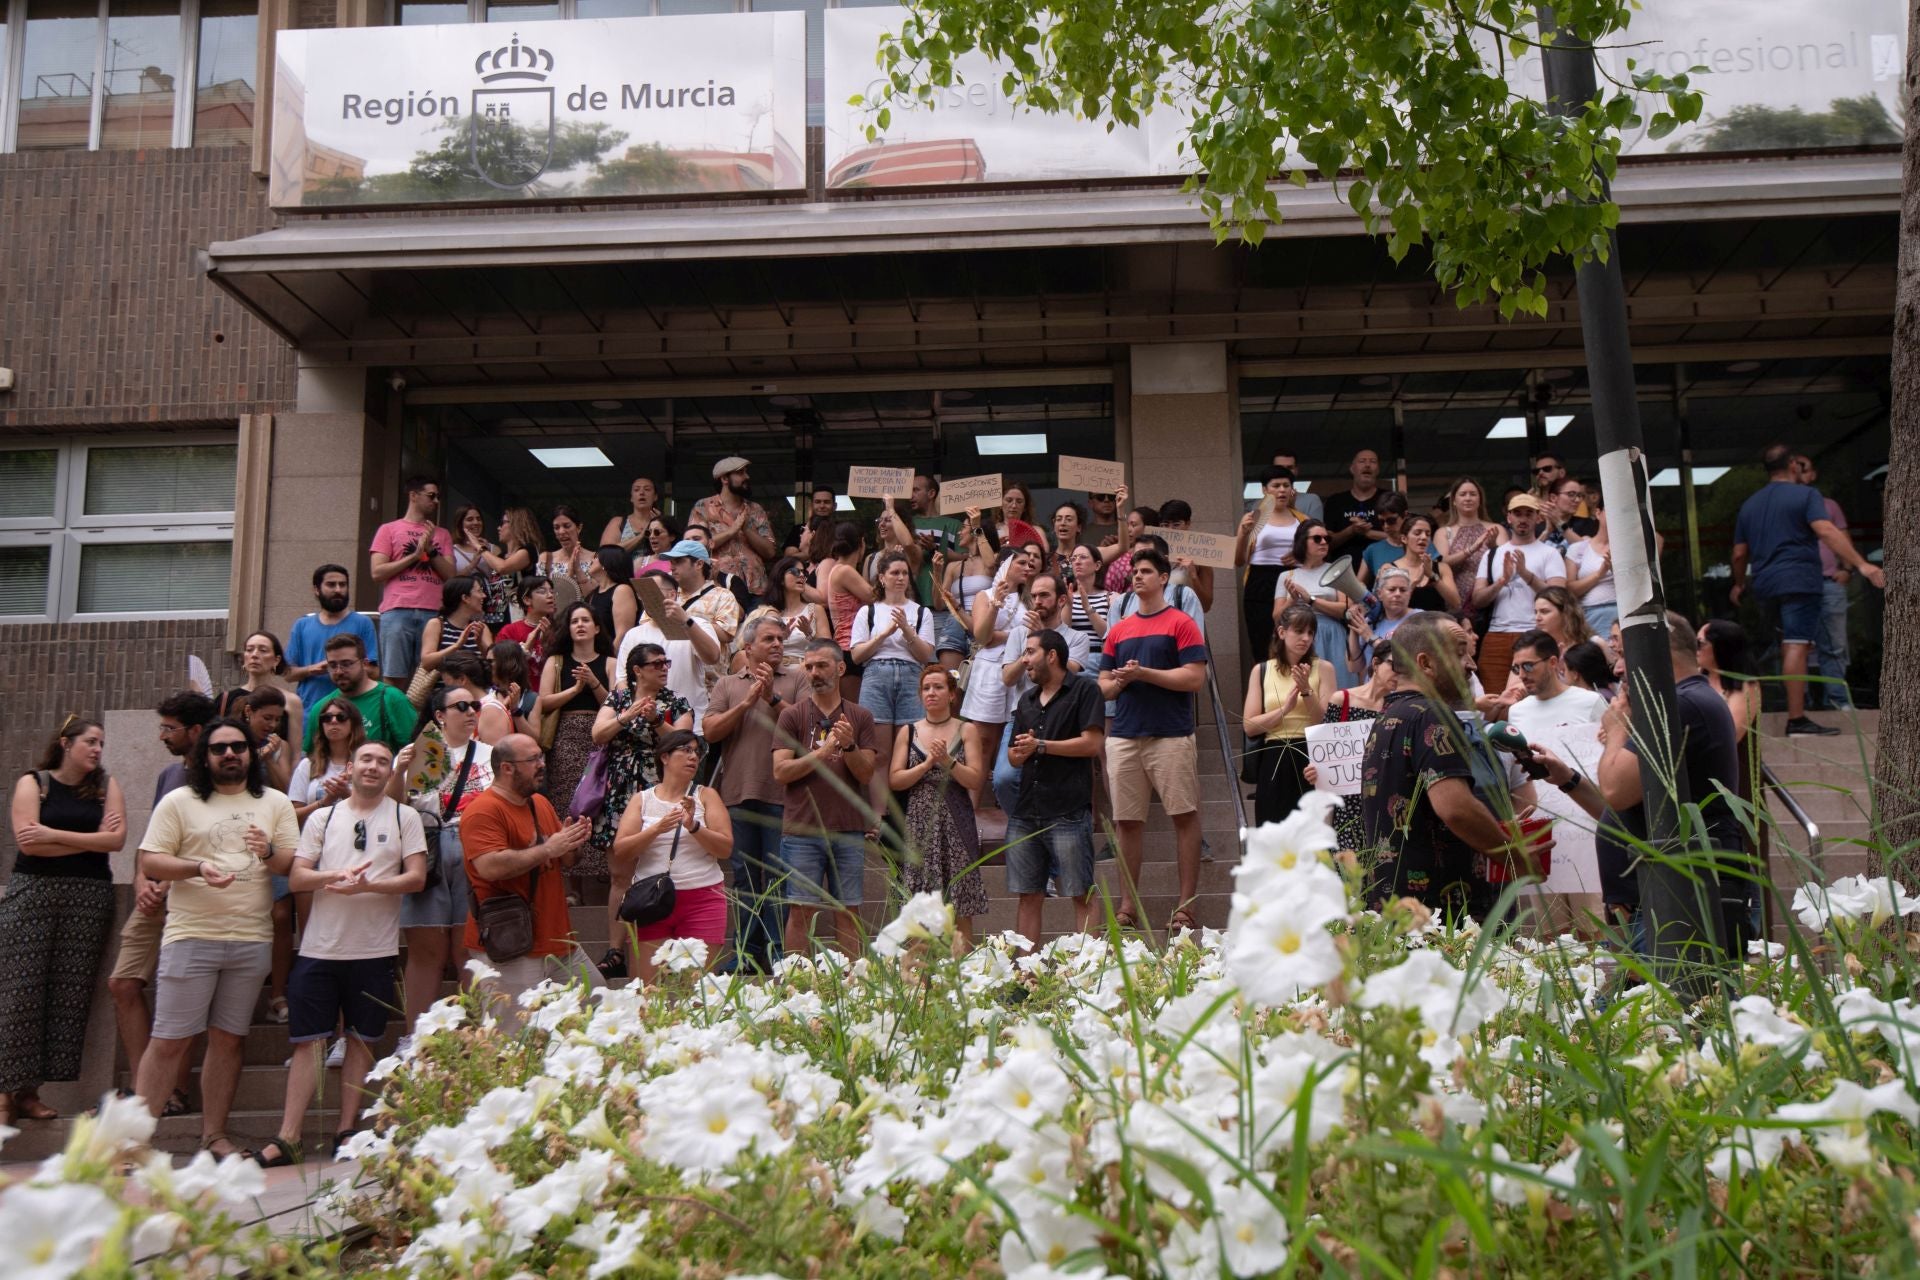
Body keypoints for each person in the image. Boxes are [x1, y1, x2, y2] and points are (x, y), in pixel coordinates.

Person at [133, 719, 300, 1157]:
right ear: (204, 756)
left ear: (250, 753)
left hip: (251, 939)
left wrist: (267, 850)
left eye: (238, 747)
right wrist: (196, 867)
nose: (230, 754)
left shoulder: (276, 803)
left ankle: (215, 1137)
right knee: (169, 1040)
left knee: (229, 1040)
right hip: (190, 935)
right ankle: (132, 1146)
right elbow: (151, 861)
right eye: (219, 748)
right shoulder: (179, 801)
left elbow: (288, 864)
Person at [255, 740, 426, 1167]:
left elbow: (416, 878)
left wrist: (369, 885)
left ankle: (346, 1130)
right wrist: (337, 875)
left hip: (375, 949)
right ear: (350, 767)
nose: (373, 767)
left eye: (382, 762)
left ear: (391, 771)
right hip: (320, 948)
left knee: (361, 1041)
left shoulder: (405, 817)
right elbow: (297, 878)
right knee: (308, 1041)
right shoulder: (324, 817)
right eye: (366, 759)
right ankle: (289, 1136)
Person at [1360, 614, 1551, 921]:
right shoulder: (1433, 714)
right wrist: (1514, 856)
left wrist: (1492, 828)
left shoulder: (1389, 715)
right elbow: (1455, 807)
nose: (1471, 664)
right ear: (1425, 663)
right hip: (1445, 920)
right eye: (1460, 653)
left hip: (1399, 912)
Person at [0, 717, 126, 1124]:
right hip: (33, 893)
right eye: (90, 741)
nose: (98, 750)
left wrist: (53, 835)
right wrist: (89, 842)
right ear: (66, 743)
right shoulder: (34, 783)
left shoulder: (106, 786)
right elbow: (29, 846)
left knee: (66, 996)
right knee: (20, 993)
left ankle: (30, 1093)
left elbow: (116, 841)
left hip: (88, 898)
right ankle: (3, 1096)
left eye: (101, 743)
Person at [1596, 612, 1748, 949]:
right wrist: (1567, 779)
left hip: (1675, 899)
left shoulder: (1679, 704)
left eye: (1623, 654)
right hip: (1660, 897)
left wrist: (1617, 730)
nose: (1617, 669)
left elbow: (1615, 790)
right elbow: (1622, 805)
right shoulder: (1686, 699)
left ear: (1653, 649)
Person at [107, 691, 214, 1123]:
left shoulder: (221, 775)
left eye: (169, 728)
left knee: (182, 996)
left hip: (196, 899)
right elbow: (150, 840)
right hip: (151, 896)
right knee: (122, 983)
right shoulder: (168, 774)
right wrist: (140, 880)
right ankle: (145, 1087)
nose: (161, 736)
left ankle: (174, 1090)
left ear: (196, 731)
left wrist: (169, 882)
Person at [1731, 443, 1885, 735]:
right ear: (1792, 465)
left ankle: (1778, 709)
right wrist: (1862, 565)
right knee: (1797, 644)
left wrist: (1739, 584)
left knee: (1785, 644)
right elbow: (1825, 530)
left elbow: (1739, 554)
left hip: (1765, 584)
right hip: (1799, 580)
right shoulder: (1806, 495)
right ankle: (1797, 719)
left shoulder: (1749, 504)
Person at [1099, 547, 1208, 932]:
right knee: (1126, 821)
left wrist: (1145, 673)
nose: (1137, 576)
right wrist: (1121, 681)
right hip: (1124, 734)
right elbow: (1103, 684)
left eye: (1146, 571)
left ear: (1164, 578)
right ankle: (1127, 906)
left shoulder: (1182, 622)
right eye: (1135, 571)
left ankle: (1186, 906)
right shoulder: (1119, 629)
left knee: (1184, 816)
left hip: (1171, 734)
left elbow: (1195, 678)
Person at [461, 735, 602, 1021]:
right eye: (533, 759)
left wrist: (572, 843)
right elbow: (489, 867)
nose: (542, 764)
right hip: (510, 946)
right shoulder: (483, 810)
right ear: (507, 768)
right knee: (513, 1036)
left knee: (598, 1001)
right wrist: (547, 849)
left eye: (541, 756)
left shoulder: (540, 803)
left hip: (559, 942)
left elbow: (565, 860)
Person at [387, 686, 492, 1043]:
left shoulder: (491, 754)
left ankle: (477, 1037)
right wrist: (399, 773)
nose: (471, 711)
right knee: (425, 951)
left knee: (469, 950)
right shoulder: (418, 753)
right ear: (439, 715)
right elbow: (393, 808)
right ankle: (416, 1040)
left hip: (475, 851)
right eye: (461, 706)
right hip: (427, 850)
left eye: (474, 705)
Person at [703, 615, 806, 973]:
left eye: (780, 638)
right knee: (744, 878)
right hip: (737, 795)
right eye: (769, 639)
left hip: (784, 795)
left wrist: (772, 698)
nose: (778, 644)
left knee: (779, 877)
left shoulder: (797, 679)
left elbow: (807, 728)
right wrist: (746, 703)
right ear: (748, 647)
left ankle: (778, 954)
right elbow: (710, 731)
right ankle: (746, 954)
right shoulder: (727, 684)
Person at [773, 640, 879, 957]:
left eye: (822, 665)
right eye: (808, 667)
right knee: (800, 911)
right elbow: (780, 771)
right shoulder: (792, 715)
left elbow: (866, 774)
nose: (814, 673)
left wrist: (849, 747)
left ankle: (853, 983)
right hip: (802, 829)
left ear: (841, 668)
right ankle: (797, 982)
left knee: (848, 910)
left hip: (847, 829)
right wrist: (823, 752)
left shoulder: (860, 716)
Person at [591, 642, 694, 955]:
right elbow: (598, 734)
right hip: (620, 789)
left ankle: (657, 948)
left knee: (660, 866)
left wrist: (656, 721)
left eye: (666, 663)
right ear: (637, 670)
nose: (663, 668)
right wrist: (627, 716)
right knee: (620, 873)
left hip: (661, 786)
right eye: (656, 664)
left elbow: (684, 743)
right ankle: (615, 950)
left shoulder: (676, 702)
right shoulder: (619, 698)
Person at [1004, 632, 1106, 946]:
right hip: (1026, 810)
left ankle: (1090, 968)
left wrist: (1042, 745)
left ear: (1052, 655)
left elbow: (1092, 744)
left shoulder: (1085, 689)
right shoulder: (1026, 700)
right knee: (1028, 895)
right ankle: (1025, 971)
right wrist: (1022, 751)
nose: (1024, 659)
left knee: (1081, 891)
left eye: (1030, 652)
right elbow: (1012, 756)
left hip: (1068, 809)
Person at [608, 730, 733, 982]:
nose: (693, 757)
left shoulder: (706, 795)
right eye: (685, 750)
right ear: (664, 757)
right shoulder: (642, 800)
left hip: (703, 898)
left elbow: (725, 848)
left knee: (699, 990)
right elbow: (621, 851)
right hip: (651, 901)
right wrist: (657, 828)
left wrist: (693, 826)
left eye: (696, 752)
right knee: (648, 990)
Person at [888, 666, 987, 949]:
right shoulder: (908, 731)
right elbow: (895, 780)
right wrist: (927, 764)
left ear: (952, 694)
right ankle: (918, 970)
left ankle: (963, 967)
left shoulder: (966, 729)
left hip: (956, 819)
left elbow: (975, 779)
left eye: (938, 687)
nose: (931, 693)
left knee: (960, 900)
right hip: (919, 820)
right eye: (926, 688)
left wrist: (948, 762)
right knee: (919, 900)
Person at [990, 571, 1091, 812]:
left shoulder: (1078, 638)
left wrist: (1044, 641)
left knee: (1054, 782)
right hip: (1022, 716)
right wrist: (1029, 646)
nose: (1037, 601)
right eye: (1034, 596)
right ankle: (1023, 824)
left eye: (1044, 595)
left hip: (1062, 717)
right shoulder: (1018, 634)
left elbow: (1068, 673)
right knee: (1003, 779)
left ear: (1062, 600)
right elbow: (1008, 678)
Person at [851, 550, 939, 819]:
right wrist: (885, 634)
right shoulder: (868, 611)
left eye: (904, 573)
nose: (901, 578)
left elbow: (925, 656)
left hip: (911, 676)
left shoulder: (921, 612)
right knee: (879, 753)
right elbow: (856, 655)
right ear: (882, 577)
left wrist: (907, 631)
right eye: (894, 573)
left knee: (909, 750)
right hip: (876, 676)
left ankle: (908, 816)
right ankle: (879, 818)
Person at [962, 541, 1041, 805]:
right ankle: (972, 810)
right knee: (984, 742)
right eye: (1021, 563)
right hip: (990, 671)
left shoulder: (1031, 599)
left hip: (1021, 671)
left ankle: (1006, 804)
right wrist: (996, 605)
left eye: (1031, 563)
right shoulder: (985, 596)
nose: (1028, 567)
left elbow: (1036, 635)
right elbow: (982, 637)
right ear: (1006, 565)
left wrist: (1003, 636)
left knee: (1016, 738)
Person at [1468, 493, 1567, 693]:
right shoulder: (1492, 554)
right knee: (1494, 696)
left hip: (1535, 632)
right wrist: (1501, 582)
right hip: (1496, 634)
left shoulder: (1549, 553)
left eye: (1529, 514)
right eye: (1518, 513)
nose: (1523, 519)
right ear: (1509, 517)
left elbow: (1560, 596)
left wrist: (1526, 575)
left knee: (1534, 694)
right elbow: (1477, 599)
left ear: (1538, 518)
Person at [1244, 604, 1332, 825]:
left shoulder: (1323, 668)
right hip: (1274, 755)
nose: (1306, 638)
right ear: (1282, 632)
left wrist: (1306, 691)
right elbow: (1250, 726)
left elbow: (1326, 723)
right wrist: (1285, 710)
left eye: (1310, 632)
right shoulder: (1261, 670)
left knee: (1313, 832)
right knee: (1273, 828)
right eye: (1299, 631)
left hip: (1312, 755)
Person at [1305, 647, 1396, 852]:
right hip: (1346, 806)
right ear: (1375, 663)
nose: (1398, 673)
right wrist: (1315, 771)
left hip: (1382, 802)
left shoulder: (1397, 708)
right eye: (1394, 665)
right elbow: (1326, 753)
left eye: (1405, 669)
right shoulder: (1342, 699)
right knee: (1347, 867)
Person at [369, 476, 455, 687]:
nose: (436, 501)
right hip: (397, 609)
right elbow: (377, 572)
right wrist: (414, 556)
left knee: (427, 680)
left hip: (433, 612)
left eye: (438, 497)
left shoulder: (442, 534)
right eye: (431, 496)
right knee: (393, 676)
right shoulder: (388, 529)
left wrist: (430, 551)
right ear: (414, 496)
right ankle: (394, 710)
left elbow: (451, 576)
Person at [615, 568, 723, 728]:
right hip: (643, 726)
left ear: (672, 595)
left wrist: (686, 622)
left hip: (690, 724)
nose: (646, 598)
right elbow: (622, 680)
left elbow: (712, 657)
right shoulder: (633, 634)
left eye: (651, 591)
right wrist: (635, 713)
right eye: (642, 593)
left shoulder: (697, 625)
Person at [1792, 453, 1857, 711]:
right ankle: (1801, 704)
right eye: (1794, 468)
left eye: (1804, 468)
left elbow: (1842, 537)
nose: (1799, 472)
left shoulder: (1829, 505)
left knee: (1835, 645)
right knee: (1797, 645)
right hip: (1795, 585)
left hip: (1829, 582)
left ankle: (1838, 700)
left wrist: (1848, 568)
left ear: (1813, 474)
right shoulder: (1783, 505)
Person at [536, 600, 612, 818]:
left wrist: (593, 682)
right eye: (574, 621)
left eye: (585, 620)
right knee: (565, 798)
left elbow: (615, 704)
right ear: (568, 629)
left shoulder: (610, 662)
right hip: (564, 738)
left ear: (596, 628)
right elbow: (543, 702)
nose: (580, 625)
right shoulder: (555, 661)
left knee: (599, 796)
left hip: (599, 736)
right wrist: (575, 690)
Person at [286, 565, 380, 731]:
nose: (338, 590)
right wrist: (312, 669)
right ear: (316, 589)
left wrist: (344, 667)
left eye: (342, 585)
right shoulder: (302, 625)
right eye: (331, 585)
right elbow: (288, 674)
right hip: (310, 714)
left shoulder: (362, 623)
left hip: (351, 714)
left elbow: (374, 672)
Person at [1276, 519, 1359, 690]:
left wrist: (1311, 600)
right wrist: (1292, 600)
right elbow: (1277, 617)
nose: (1323, 542)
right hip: (1300, 635)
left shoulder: (1336, 570)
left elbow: (1346, 609)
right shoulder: (1287, 576)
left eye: (1327, 538)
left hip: (1332, 635)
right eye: (1317, 538)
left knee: (1339, 686)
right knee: (1305, 688)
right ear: (1302, 542)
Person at [1236, 465, 1307, 662]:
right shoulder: (1251, 519)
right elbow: (1239, 560)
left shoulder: (1302, 520)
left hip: (1293, 580)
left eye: (1286, 485)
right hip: (1260, 581)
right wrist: (1243, 534)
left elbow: (1317, 552)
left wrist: (1300, 555)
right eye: (1276, 485)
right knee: (1262, 641)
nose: (1282, 490)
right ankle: (1266, 680)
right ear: (1264, 490)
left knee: (1295, 636)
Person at [304, 633, 418, 752]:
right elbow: (312, 756)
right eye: (332, 665)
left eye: (346, 664)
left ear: (364, 663)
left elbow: (416, 749)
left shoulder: (392, 698)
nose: (339, 671)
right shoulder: (321, 708)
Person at [691, 456, 777, 600]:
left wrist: (747, 529)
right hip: (719, 588)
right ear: (725, 479)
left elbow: (770, 552)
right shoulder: (703, 507)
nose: (747, 477)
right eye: (740, 473)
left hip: (755, 589)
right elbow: (694, 547)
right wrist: (731, 531)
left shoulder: (755, 509)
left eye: (746, 472)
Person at [1500, 630, 1607, 740]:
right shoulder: (1516, 712)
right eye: (1516, 668)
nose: (1521, 675)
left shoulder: (1591, 701)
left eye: (1528, 666)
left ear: (1553, 662)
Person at [666, 538, 742, 679]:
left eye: (678, 561)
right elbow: (647, 626)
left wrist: (685, 620)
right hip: (671, 679)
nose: (672, 567)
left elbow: (726, 634)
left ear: (699, 564)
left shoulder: (723, 595)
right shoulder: (666, 595)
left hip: (709, 684)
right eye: (671, 562)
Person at [217, 631, 304, 744]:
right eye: (249, 650)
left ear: (276, 660)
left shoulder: (291, 701)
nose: (254, 655)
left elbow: (295, 751)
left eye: (263, 650)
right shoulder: (225, 699)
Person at [823, 521, 877, 700]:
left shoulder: (839, 569)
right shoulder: (845, 570)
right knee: (853, 709)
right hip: (849, 647)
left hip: (847, 646)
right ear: (861, 543)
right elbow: (874, 596)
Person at [289, 699, 363, 825]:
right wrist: (325, 801)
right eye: (327, 718)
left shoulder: (367, 765)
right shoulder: (308, 765)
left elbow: (378, 813)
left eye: (341, 717)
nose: (333, 721)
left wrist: (347, 795)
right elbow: (292, 818)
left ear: (353, 723)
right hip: (316, 835)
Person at [755, 555, 831, 672]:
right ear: (781, 578)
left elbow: (829, 649)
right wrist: (781, 637)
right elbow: (757, 647)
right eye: (795, 571)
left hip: (806, 670)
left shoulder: (815, 610)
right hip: (775, 671)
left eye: (804, 572)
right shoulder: (770, 613)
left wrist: (809, 634)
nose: (801, 575)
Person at [472, 507, 542, 631]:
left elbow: (503, 567)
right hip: (494, 620)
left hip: (517, 620)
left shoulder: (529, 550)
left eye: (503, 523)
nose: (498, 528)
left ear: (516, 525)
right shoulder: (500, 556)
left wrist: (480, 548)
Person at [1564, 489, 1617, 636]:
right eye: (1610, 510)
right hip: (1589, 615)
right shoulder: (1578, 548)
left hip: (1620, 614)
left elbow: (1636, 587)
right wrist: (1599, 574)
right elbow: (1570, 589)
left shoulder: (1626, 549)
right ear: (1598, 513)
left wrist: (1616, 570)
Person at [1433, 476, 1507, 579]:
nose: (1468, 498)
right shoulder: (1443, 532)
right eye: (1463, 494)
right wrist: (1470, 550)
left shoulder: (1496, 529)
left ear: (1480, 500)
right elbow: (1440, 564)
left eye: (1473, 494)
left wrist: (1493, 547)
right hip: (1453, 589)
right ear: (1454, 501)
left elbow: (1506, 562)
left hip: (1491, 587)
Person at [1324, 448, 1388, 558]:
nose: (1367, 465)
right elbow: (1326, 543)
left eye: (1373, 461)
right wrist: (1351, 530)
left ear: (1378, 470)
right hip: (1344, 566)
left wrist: (1369, 533)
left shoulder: (1389, 499)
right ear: (1352, 469)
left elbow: (1402, 538)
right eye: (1362, 461)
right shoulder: (1335, 501)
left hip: (1384, 564)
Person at [1155, 498, 1216, 612]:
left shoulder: (1201, 557)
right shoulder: (1155, 554)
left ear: (1188, 524)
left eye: (1176, 524)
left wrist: (1193, 576)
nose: (1170, 530)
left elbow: (1206, 606)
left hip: (1188, 618)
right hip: (1159, 619)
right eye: (1165, 525)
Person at [1393, 514, 1458, 612]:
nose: (1424, 537)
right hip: (1407, 621)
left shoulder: (1442, 568)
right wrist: (1414, 583)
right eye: (1417, 533)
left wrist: (1432, 576)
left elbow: (1456, 603)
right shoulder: (1391, 568)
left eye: (1428, 534)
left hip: (1437, 620)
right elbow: (1390, 605)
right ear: (1404, 539)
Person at [495, 573, 557, 671]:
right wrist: (527, 646)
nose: (550, 595)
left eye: (552, 591)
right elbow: (503, 670)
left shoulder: (561, 628)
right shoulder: (509, 632)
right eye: (542, 591)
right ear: (527, 600)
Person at [240, 686, 296, 792]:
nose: (272, 725)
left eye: (277, 719)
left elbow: (287, 790)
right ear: (248, 711)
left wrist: (269, 759)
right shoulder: (233, 741)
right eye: (267, 718)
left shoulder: (280, 745)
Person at [539, 505, 597, 602]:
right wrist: (569, 572)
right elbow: (542, 599)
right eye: (556, 528)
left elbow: (596, 600)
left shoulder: (596, 559)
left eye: (567, 526)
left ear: (579, 528)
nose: (561, 531)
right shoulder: (546, 559)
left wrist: (578, 569)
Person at [1359, 491, 1418, 584]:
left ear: (1405, 515)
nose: (1386, 526)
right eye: (1382, 522)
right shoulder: (1373, 550)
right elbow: (1358, 587)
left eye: (1391, 520)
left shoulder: (1421, 544)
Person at [601, 477, 663, 553]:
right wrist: (641, 536)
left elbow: (670, 552)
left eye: (647, 489)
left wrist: (661, 526)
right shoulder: (618, 522)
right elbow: (605, 553)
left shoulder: (663, 523)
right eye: (636, 490)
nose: (641, 493)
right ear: (631, 498)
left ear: (655, 497)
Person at [1065, 543, 1112, 641]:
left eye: (1083, 557)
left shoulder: (1110, 597)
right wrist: (1068, 606)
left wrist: (1088, 608)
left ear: (1097, 565)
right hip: (1072, 650)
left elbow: (1109, 635)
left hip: (1100, 649)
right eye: (1073, 559)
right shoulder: (1067, 597)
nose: (1077, 562)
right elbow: (1063, 635)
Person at [1269, 449, 1326, 521]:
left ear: (1296, 470)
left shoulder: (1311, 500)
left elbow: (1316, 528)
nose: (1285, 471)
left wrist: (1292, 508)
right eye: (1279, 468)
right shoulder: (1259, 504)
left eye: (1289, 468)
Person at [997, 482, 1049, 555]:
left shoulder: (1036, 531)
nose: (1014, 505)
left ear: (1025, 507)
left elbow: (1044, 554)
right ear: (1000, 504)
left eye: (1019, 501)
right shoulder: (993, 530)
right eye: (1009, 500)